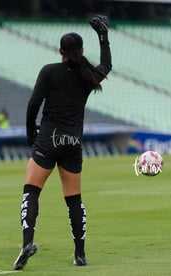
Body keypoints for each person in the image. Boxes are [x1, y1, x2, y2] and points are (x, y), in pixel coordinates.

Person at [13, 15, 112, 270]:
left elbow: (34, 103)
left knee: (31, 191)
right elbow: (106, 66)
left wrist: (30, 133)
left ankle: (27, 243)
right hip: (72, 142)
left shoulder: (49, 71)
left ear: (60, 51)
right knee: (74, 200)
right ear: (81, 51)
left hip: (48, 140)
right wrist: (103, 36)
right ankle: (80, 254)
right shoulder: (86, 76)